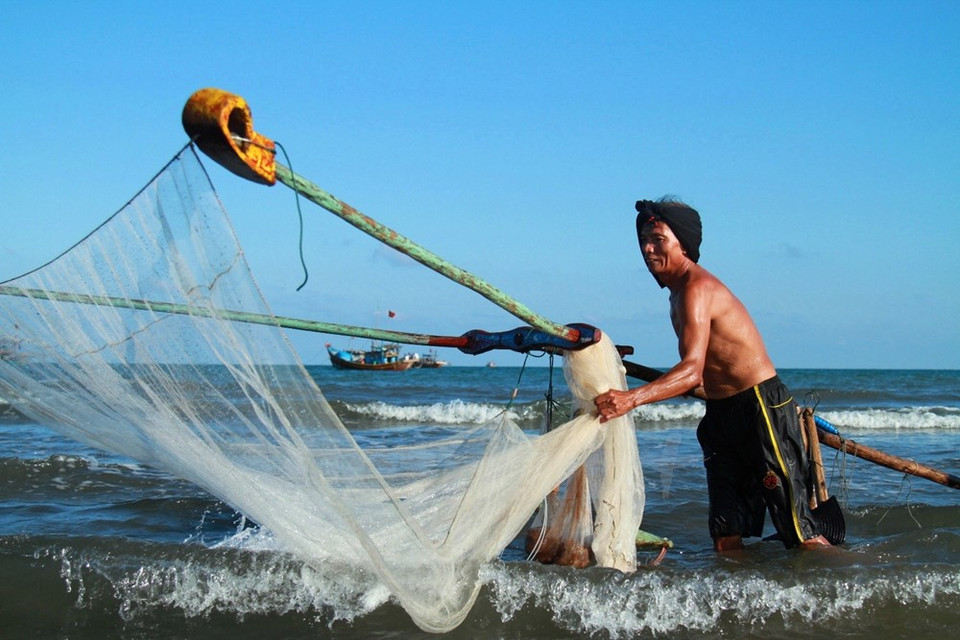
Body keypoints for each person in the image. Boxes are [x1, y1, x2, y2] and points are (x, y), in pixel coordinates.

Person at [593, 198, 830, 551]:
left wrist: (631, 398)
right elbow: (703, 374)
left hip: (761, 409)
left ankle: (843, 588)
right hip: (722, 415)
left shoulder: (696, 289)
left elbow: (691, 372)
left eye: (658, 238)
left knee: (798, 531)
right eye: (644, 239)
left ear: (683, 244)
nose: (647, 247)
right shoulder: (675, 295)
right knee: (725, 533)